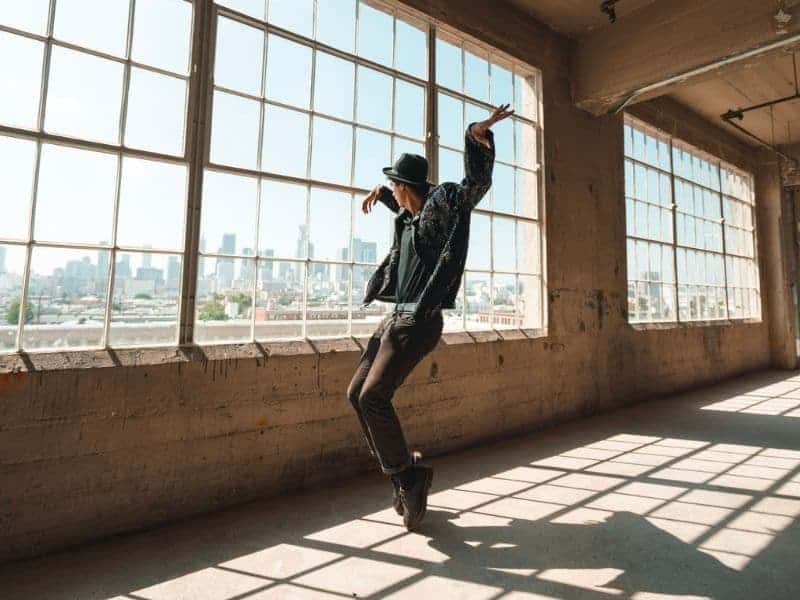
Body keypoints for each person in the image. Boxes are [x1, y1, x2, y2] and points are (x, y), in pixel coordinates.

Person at [347, 104, 515, 531]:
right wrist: (382, 195)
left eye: (393, 185)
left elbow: (473, 186)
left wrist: (477, 138)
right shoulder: (410, 215)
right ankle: (406, 471)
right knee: (356, 395)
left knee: (373, 398)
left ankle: (407, 478)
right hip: (394, 321)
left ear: (406, 186)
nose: (391, 191)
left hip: (419, 320)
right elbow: (404, 209)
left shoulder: (440, 207)